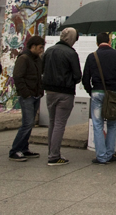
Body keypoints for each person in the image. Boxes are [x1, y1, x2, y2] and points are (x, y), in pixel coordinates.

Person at [82, 32, 116, 165]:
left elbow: (85, 78)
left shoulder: (92, 57)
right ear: (109, 41)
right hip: (113, 93)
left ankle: (101, 156)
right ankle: (109, 153)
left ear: (97, 43)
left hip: (97, 92)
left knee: (98, 124)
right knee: (113, 124)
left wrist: (90, 91)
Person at [41, 27, 82, 166]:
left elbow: (42, 69)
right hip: (65, 92)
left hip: (50, 91)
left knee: (52, 123)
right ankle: (54, 156)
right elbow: (77, 76)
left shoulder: (49, 51)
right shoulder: (71, 53)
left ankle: (52, 152)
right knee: (59, 124)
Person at [9, 35, 45, 162]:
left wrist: (40, 91)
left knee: (30, 123)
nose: (42, 50)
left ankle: (24, 148)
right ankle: (15, 150)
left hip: (35, 94)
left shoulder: (37, 59)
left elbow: (39, 76)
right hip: (28, 96)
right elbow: (18, 77)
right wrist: (26, 93)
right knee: (27, 123)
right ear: (33, 47)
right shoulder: (24, 58)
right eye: (40, 47)